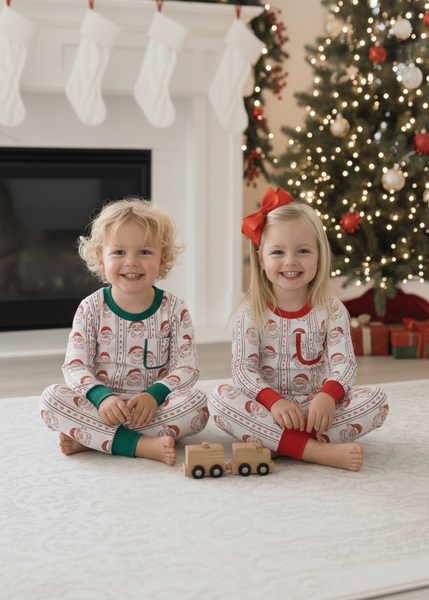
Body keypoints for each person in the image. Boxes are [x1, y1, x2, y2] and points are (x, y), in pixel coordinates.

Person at [208, 187, 389, 471]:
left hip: (317, 408)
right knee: (219, 399)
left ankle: (279, 445)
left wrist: (328, 396)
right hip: (270, 409)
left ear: (319, 255)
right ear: (260, 257)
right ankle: (316, 451)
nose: (290, 261)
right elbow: (243, 370)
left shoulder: (332, 309)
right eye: (278, 252)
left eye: (303, 251)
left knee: (377, 401)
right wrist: (274, 402)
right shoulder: (249, 312)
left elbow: (345, 365)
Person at [40, 198, 208, 466]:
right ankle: (142, 445)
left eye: (144, 252)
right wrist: (102, 397)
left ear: (163, 259)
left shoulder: (175, 310)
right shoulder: (90, 308)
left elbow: (187, 368)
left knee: (198, 406)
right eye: (118, 252)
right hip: (100, 407)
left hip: (154, 409)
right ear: (100, 259)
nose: (131, 262)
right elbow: (75, 366)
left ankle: (93, 438)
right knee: (50, 399)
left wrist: (155, 395)